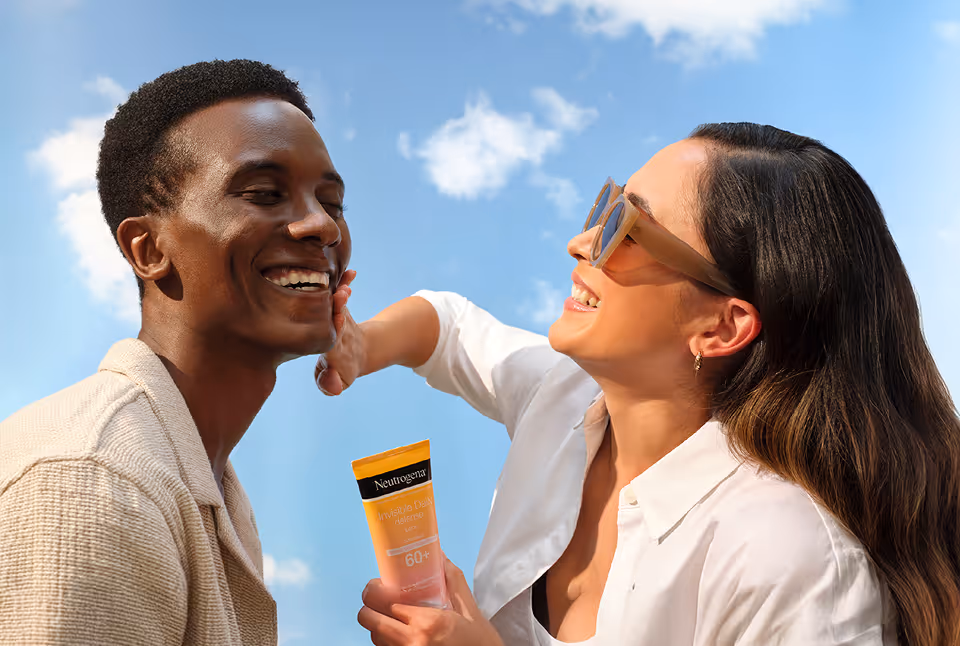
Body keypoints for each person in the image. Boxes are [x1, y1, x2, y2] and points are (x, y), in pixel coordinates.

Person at [318, 124, 960, 646]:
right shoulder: (563, 398)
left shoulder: (793, 560)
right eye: (607, 205)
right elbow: (449, 328)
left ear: (722, 326)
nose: (581, 244)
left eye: (625, 230)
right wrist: (362, 345)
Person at [0, 59, 354, 645]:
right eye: (264, 194)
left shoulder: (203, 483)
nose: (323, 226)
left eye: (333, 202)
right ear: (148, 250)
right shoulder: (94, 483)